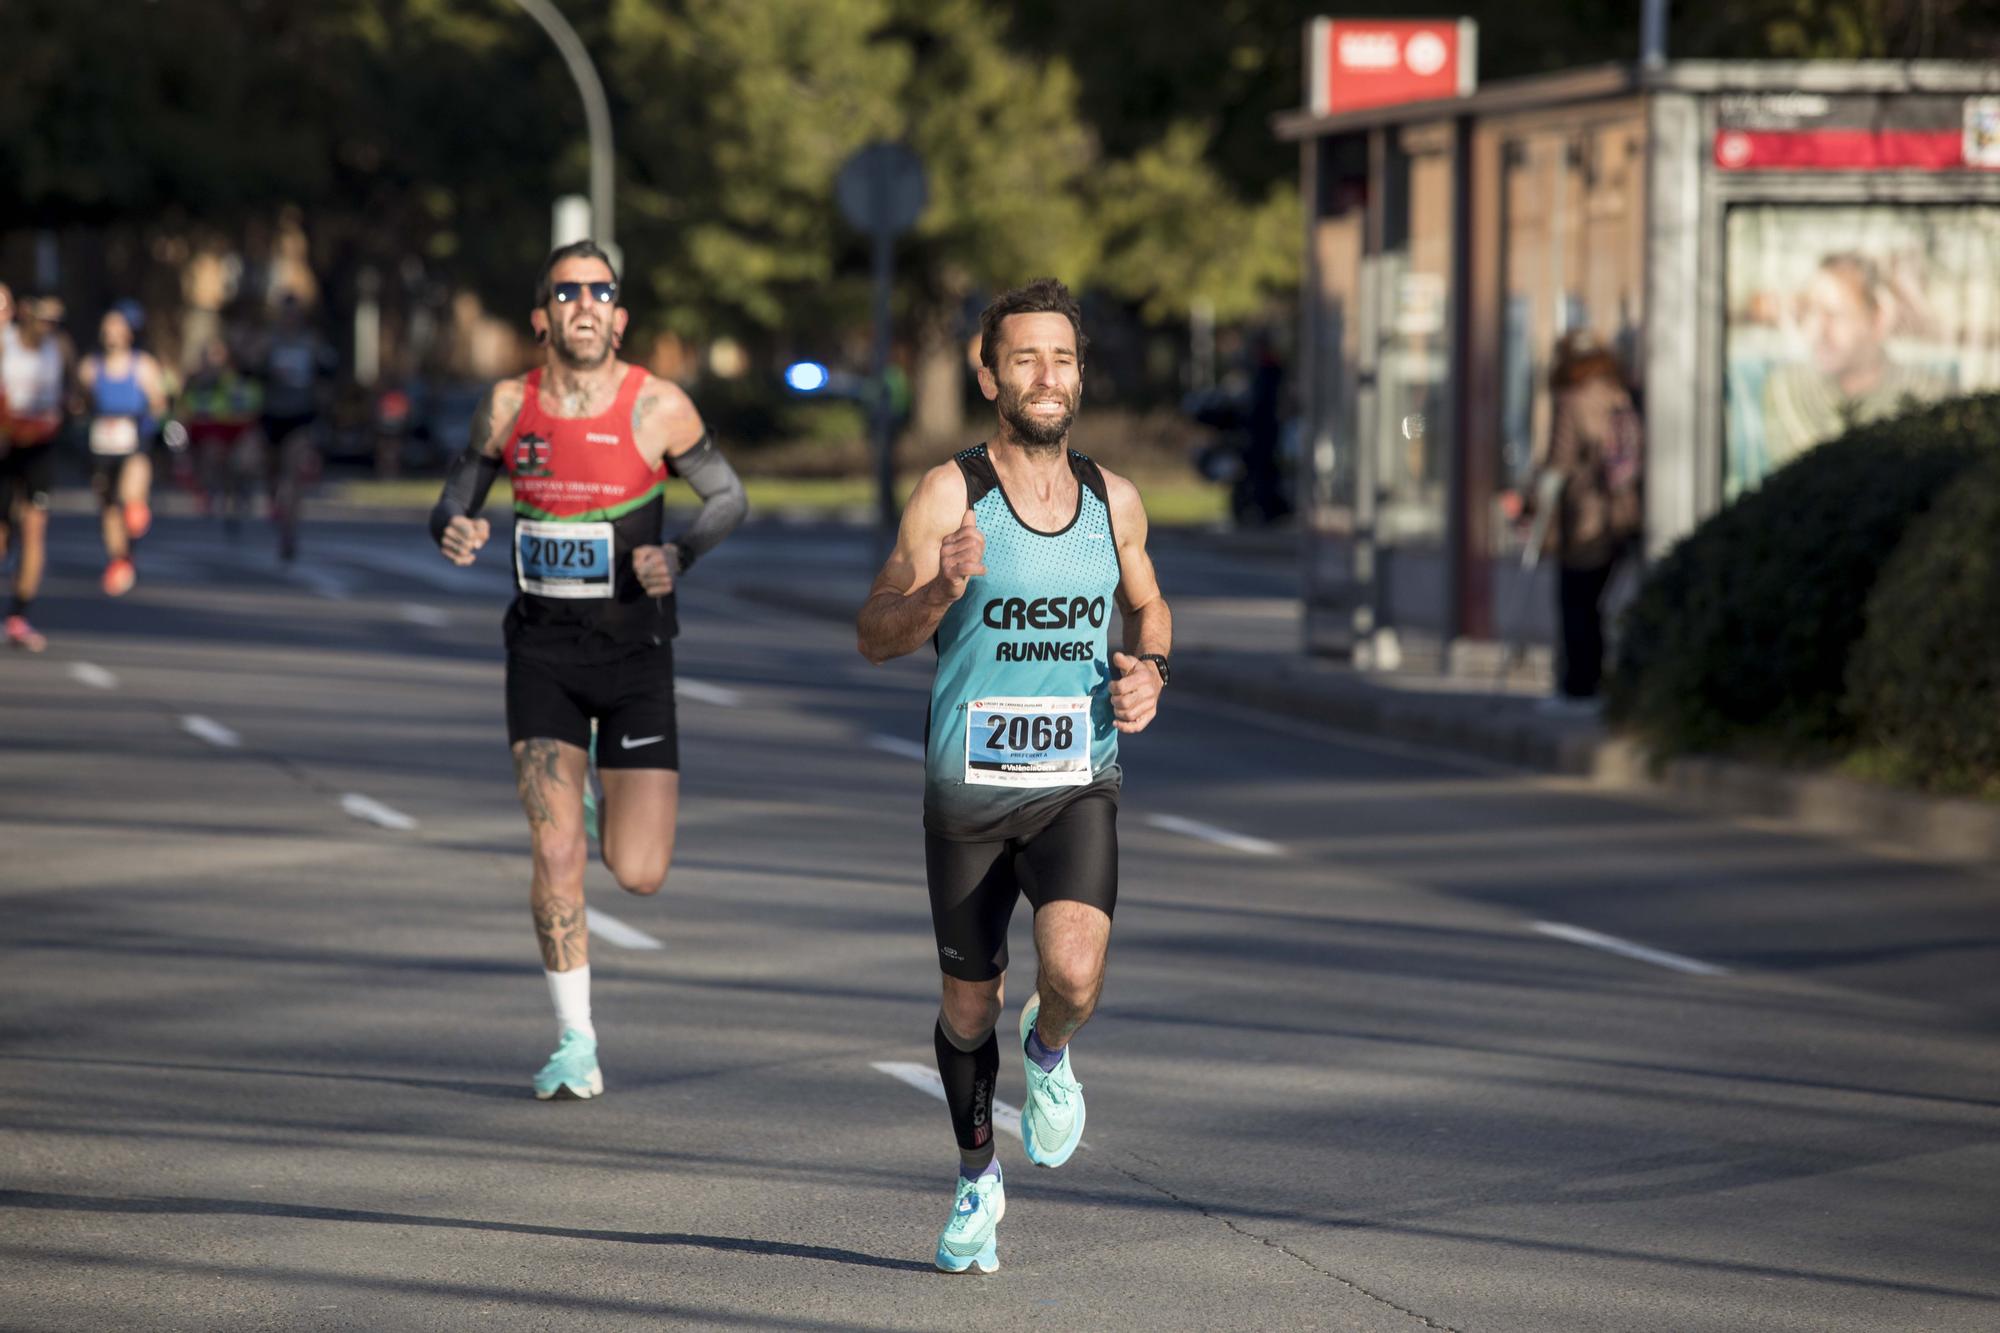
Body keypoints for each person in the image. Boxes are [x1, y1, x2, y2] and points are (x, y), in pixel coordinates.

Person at [855, 278, 1172, 1274]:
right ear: (990, 373)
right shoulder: (951, 492)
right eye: (1026, 358)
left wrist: (1148, 670)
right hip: (966, 794)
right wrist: (942, 588)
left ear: (1079, 376)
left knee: (1072, 973)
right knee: (966, 1005)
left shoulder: (1113, 497)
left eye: (1063, 358)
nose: (1046, 376)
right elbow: (873, 632)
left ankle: (1049, 1049)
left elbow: (1149, 606)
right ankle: (975, 1177)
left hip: (1077, 777)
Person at [429, 240, 747, 1101]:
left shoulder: (659, 407)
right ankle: (576, 1036)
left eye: (599, 291)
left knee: (637, 871)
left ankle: (609, 787)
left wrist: (677, 553)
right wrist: (453, 529)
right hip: (541, 652)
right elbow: (455, 497)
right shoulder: (507, 406)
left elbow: (729, 497)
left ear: (619, 313)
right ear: (542, 317)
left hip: (636, 655)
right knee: (555, 845)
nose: (583, 305)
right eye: (566, 292)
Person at [1525, 331, 1643, 709]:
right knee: (1599, 605)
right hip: (1625, 515)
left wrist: (1532, 502)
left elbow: (1558, 464)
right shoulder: (1621, 392)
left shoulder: (1571, 399)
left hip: (1586, 520)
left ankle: (1579, 685)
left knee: (1576, 604)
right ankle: (1598, 681)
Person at [1760, 252, 1944, 474]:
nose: (1817, 332)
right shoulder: (1786, 390)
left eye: (1834, 314)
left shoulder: (1929, 393)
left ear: (1879, 317)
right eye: (1810, 311)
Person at [77, 302, 168, 598]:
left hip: (133, 441)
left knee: (130, 493)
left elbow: (159, 402)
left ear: (129, 333)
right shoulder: (90, 368)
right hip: (101, 443)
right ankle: (120, 559)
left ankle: (136, 511)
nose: (111, 333)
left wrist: (148, 416)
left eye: (117, 328)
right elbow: (80, 403)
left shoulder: (143, 365)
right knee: (108, 507)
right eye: (107, 328)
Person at [0, 288, 67, 650]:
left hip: (40, 447)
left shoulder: (59, 349)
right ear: (25, 313)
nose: (49, 326)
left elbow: (73, 393)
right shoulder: (5, 343)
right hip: (5, 446)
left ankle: (19, 617)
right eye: (44, 318)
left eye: (56, 321)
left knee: (35, 529)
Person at [256, 294, 335, 561]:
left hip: (300, 416)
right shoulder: (269, 341)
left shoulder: (311, 342)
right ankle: (273, 500)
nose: (290, 319)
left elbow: (326, 373)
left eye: (294, 314)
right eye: (285, 313)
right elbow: (249, 368)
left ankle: (289, 533)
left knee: (293, 475)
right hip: (271, 415)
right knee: (272, 471)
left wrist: (323, 408)